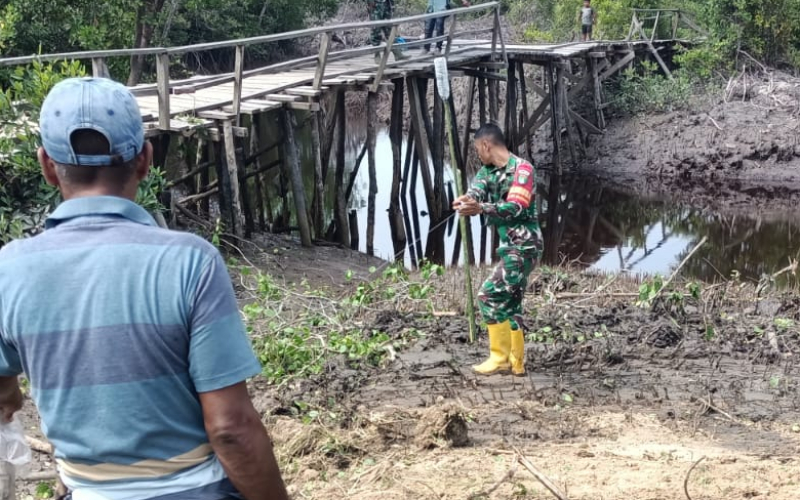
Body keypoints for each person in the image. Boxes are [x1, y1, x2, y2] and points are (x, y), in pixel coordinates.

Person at [0, 77, 289, 500]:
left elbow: (4, 394)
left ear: (46, 165)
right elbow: (230, 429)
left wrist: (10, 393)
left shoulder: (9, 268)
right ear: (145, 159)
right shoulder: (192, 262)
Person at [452, 124, 542, 377]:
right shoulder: (487, 171)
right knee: (512, 302)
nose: (478, 155)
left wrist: (481, 208)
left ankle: (500, 358)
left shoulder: (523, 170)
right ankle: (517, 363)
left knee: (488, 296)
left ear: (486, 146)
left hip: (524, 245)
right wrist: (467, 201)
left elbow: (516, 207)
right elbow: (476, 191)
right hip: (510, 246)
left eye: (477, 150)